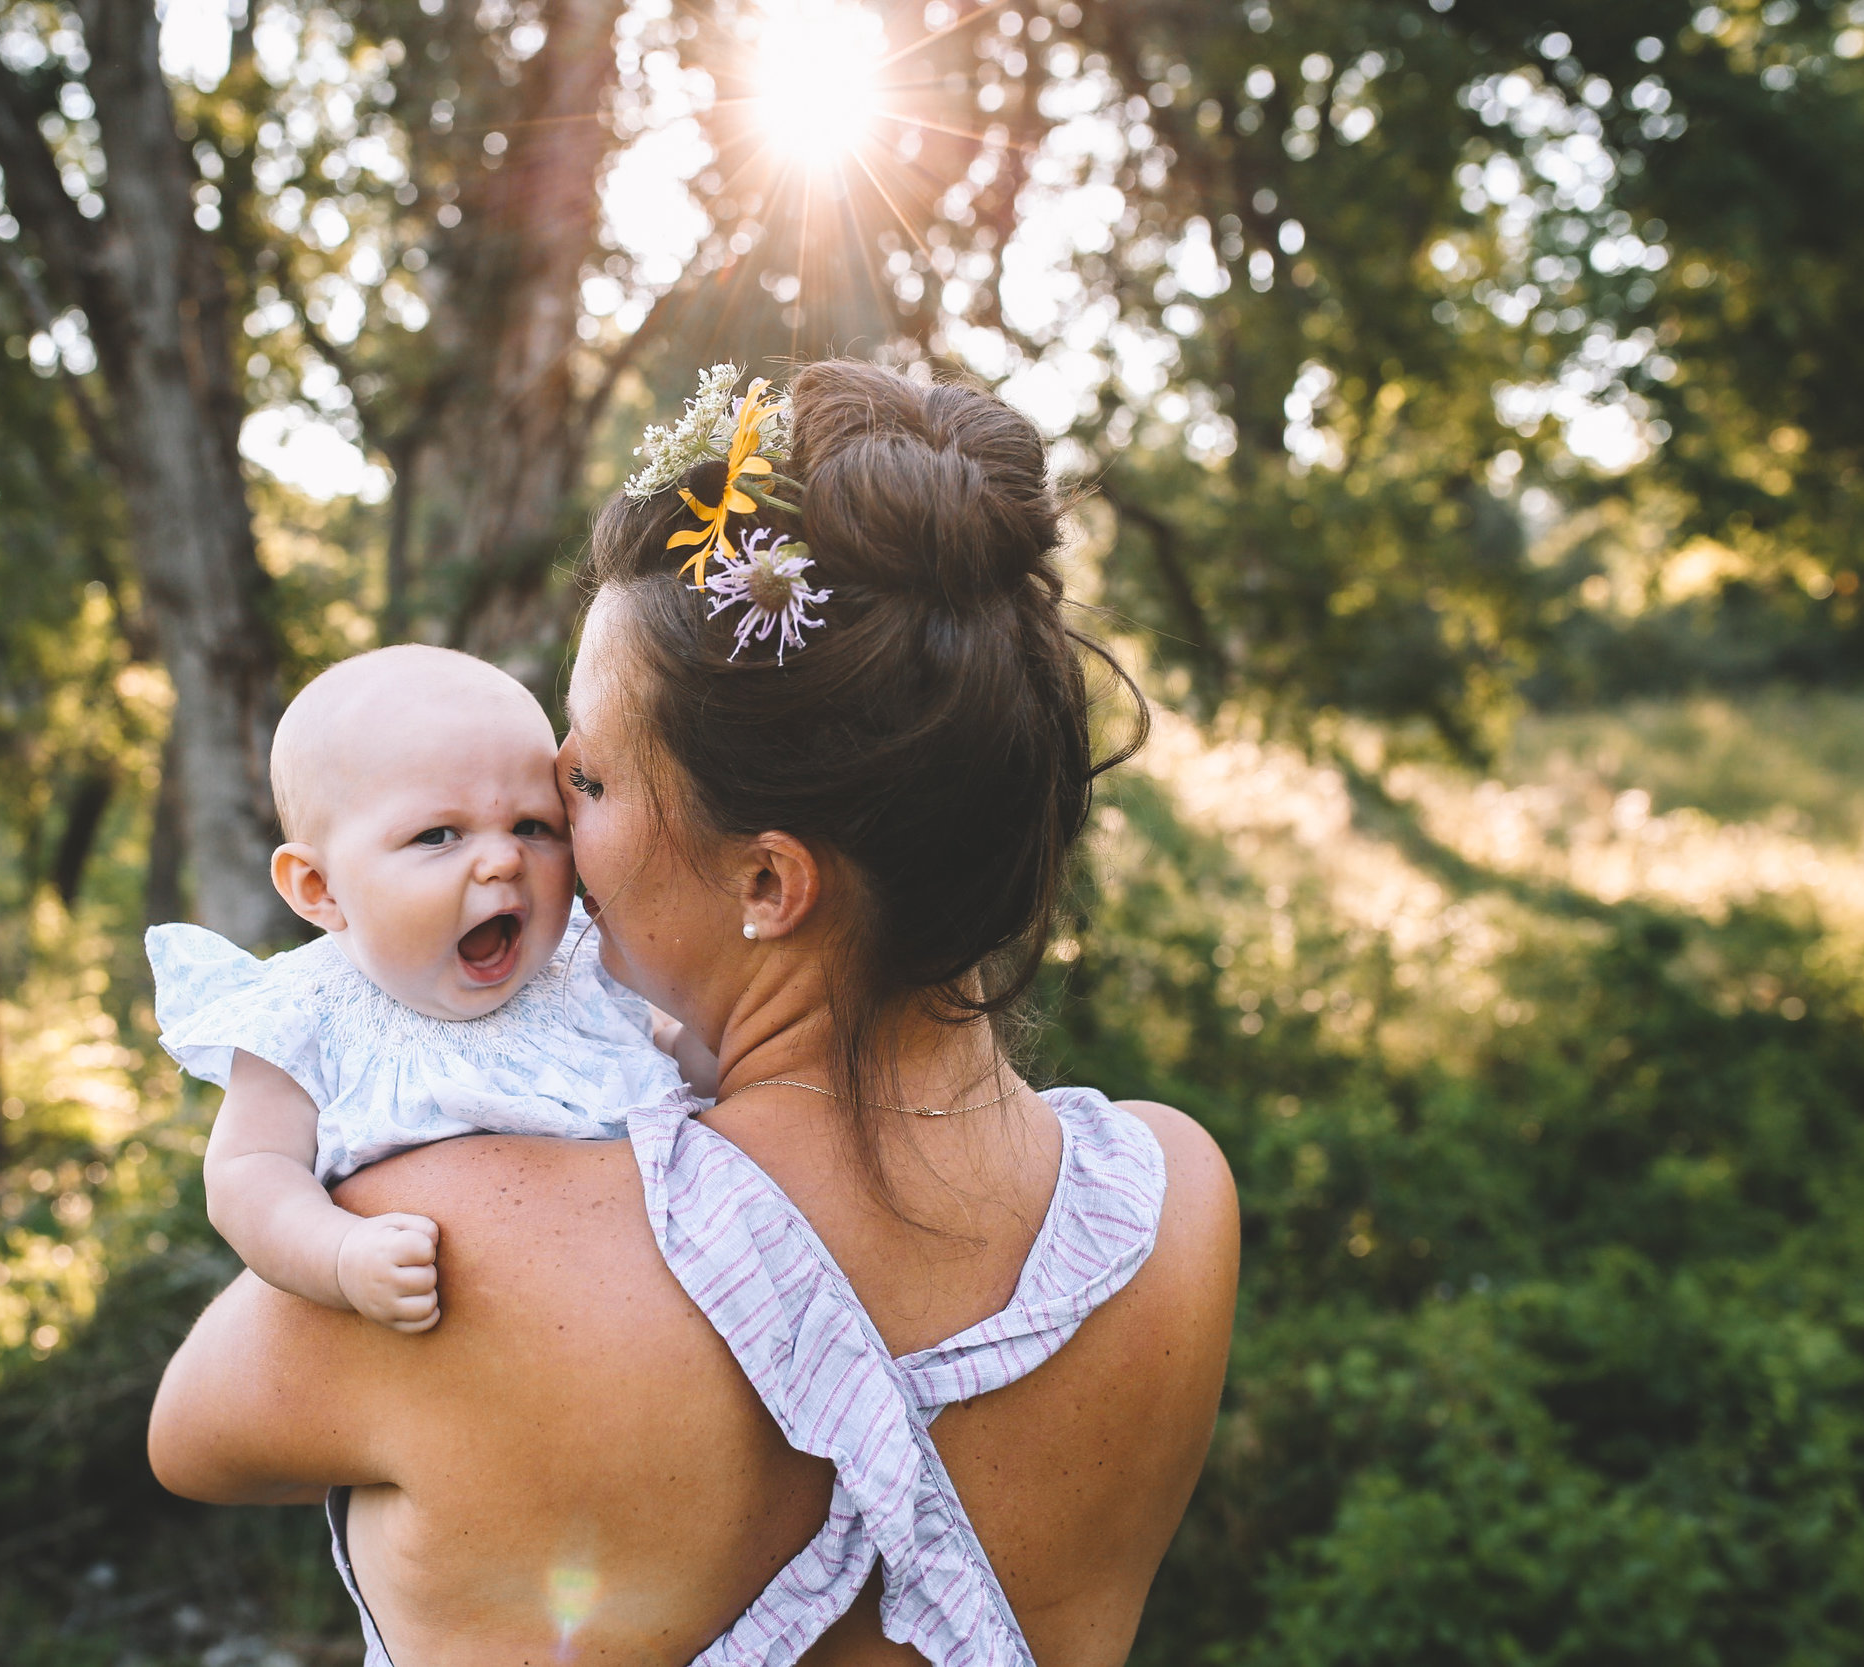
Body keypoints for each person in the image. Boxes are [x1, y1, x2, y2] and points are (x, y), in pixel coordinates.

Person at [149, 359, 1238, 1667]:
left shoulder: (455, 1245)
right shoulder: (1170, 1204)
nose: (541, 825)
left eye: (586, 778)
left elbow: (193, 1433)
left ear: (767, 879)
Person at [145, 645, 699, 1331]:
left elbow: (671, 1050)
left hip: (638, 1325)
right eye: (439, 834)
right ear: (319, 888)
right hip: (454, 1368)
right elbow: (246, 1177)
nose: (504, 859)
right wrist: (342, 1255)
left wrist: (722, 1051)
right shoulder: (308, 1016)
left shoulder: (587, 963)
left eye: (533, 825)